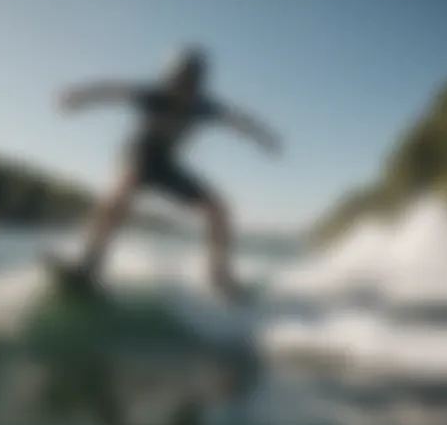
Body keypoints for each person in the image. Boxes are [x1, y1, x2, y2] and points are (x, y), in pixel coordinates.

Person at [57, 45, 282, 303]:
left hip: (166, 166)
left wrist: (265, 138)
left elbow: (238, 120)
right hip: (137, 157)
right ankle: (87, 264)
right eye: (179, 81)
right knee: (124, 188)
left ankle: (220, 278)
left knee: (218, 208)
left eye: (190, 84)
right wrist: (78, 97)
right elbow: (112, 90)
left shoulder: (203, 107)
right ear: (170, 78)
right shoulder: (154, 95)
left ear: (198, 86)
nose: (183, 90)